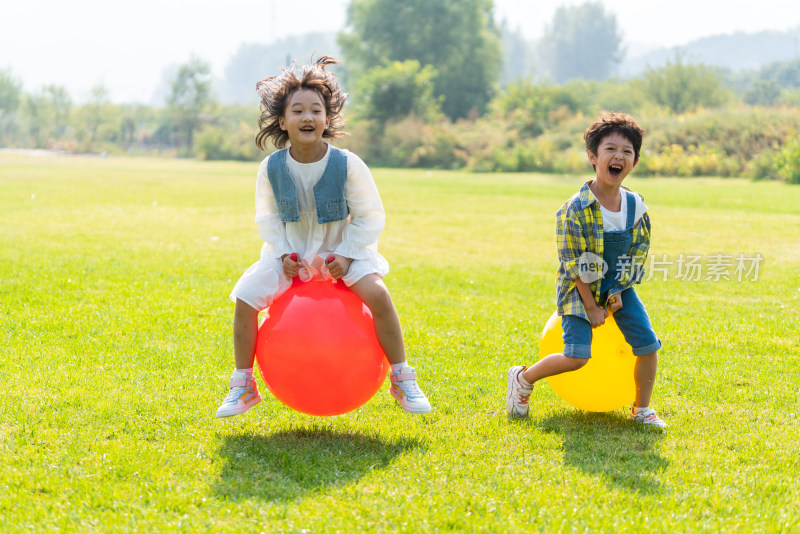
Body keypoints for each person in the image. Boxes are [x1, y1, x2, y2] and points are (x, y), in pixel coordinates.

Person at [216, 56, 431, 417]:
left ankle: (401, 376)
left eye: (315, 110)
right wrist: (283, 253)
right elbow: (267, 218)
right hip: (290, 254)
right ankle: (243, 384)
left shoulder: (347, 164)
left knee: (378, 294)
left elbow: (370, 216)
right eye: (297, 111)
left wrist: (347, 254)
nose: (307, 117)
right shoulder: (271, 168)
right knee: (245, 298)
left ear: (326, 120)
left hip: (342, 251)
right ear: (283, 122)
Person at [506, 111, 666, 427]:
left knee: (648, 345)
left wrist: (619, 289)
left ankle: (642, 409)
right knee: (577, 357)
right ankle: (523, 378)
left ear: (634, 162)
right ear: (593, 156)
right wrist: (592, 306)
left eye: (627, 152)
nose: (619, 156)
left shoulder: (636, 206)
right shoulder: (575, 209)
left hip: (618, 285)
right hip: (580, 291)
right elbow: (574, 263)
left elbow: (637, 251)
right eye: (610, 149)